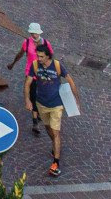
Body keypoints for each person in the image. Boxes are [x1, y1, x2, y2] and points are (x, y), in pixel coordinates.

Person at [26, 46, 77, 177]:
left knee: (55, 132)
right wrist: (27, 100)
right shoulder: (35, 65)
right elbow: (27, 83)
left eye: (41, 56)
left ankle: (56, 163)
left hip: (56, 104)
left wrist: (76, 99)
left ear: (48, 56)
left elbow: (70, 81)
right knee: (48, 129)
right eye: (38, 55)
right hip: (41, 104)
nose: (39, 58)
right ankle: (55, 145)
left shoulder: (57, 65)